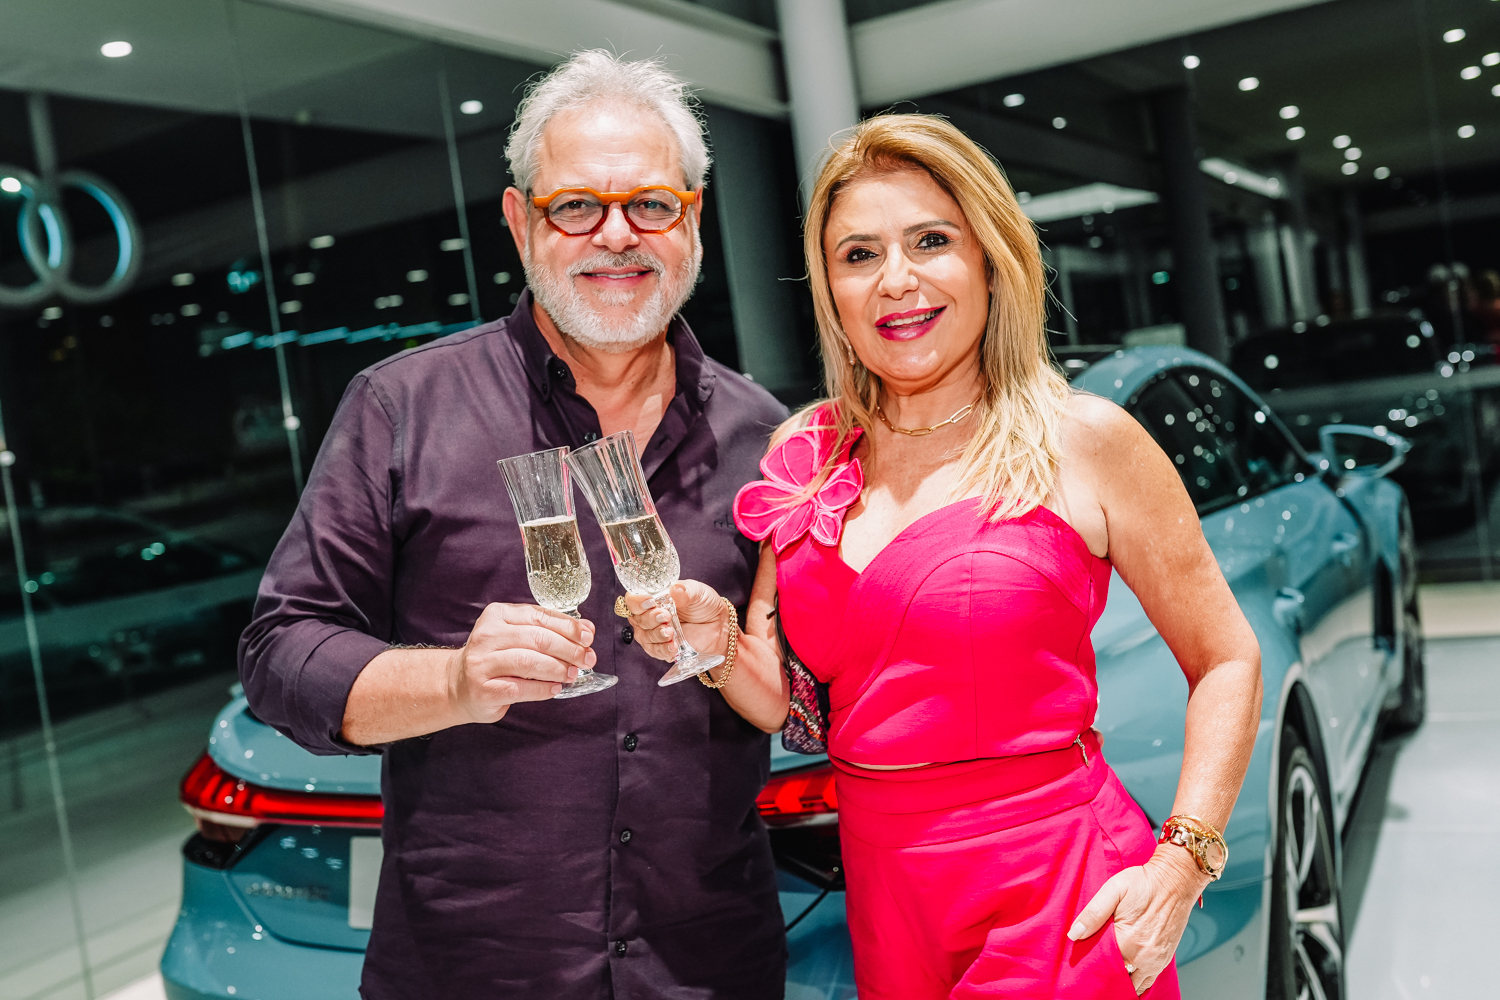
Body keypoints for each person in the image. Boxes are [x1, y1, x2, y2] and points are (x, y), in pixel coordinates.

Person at [623, 114, 1263, 998]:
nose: (897, 279)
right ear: (831, 289)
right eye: (859, 255)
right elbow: (782, 699)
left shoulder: (1083, 441)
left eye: (931, 241)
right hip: (888, 902)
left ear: (990, 261)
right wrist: (718, 640)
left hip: (1058, 896)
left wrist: (1183, 862)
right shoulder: (810, 452)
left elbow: (1226, 657)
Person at [238, 50, 790, 999]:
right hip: (473, 968)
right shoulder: (403, 407)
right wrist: (454, 679)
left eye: (651, 204)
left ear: (693, 219)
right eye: (575, 205)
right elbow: (281, 653)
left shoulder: (765, 436)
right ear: (520, 221)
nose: (616, 235)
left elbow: (802, 686)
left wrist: (736, 649)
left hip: (711, 964)